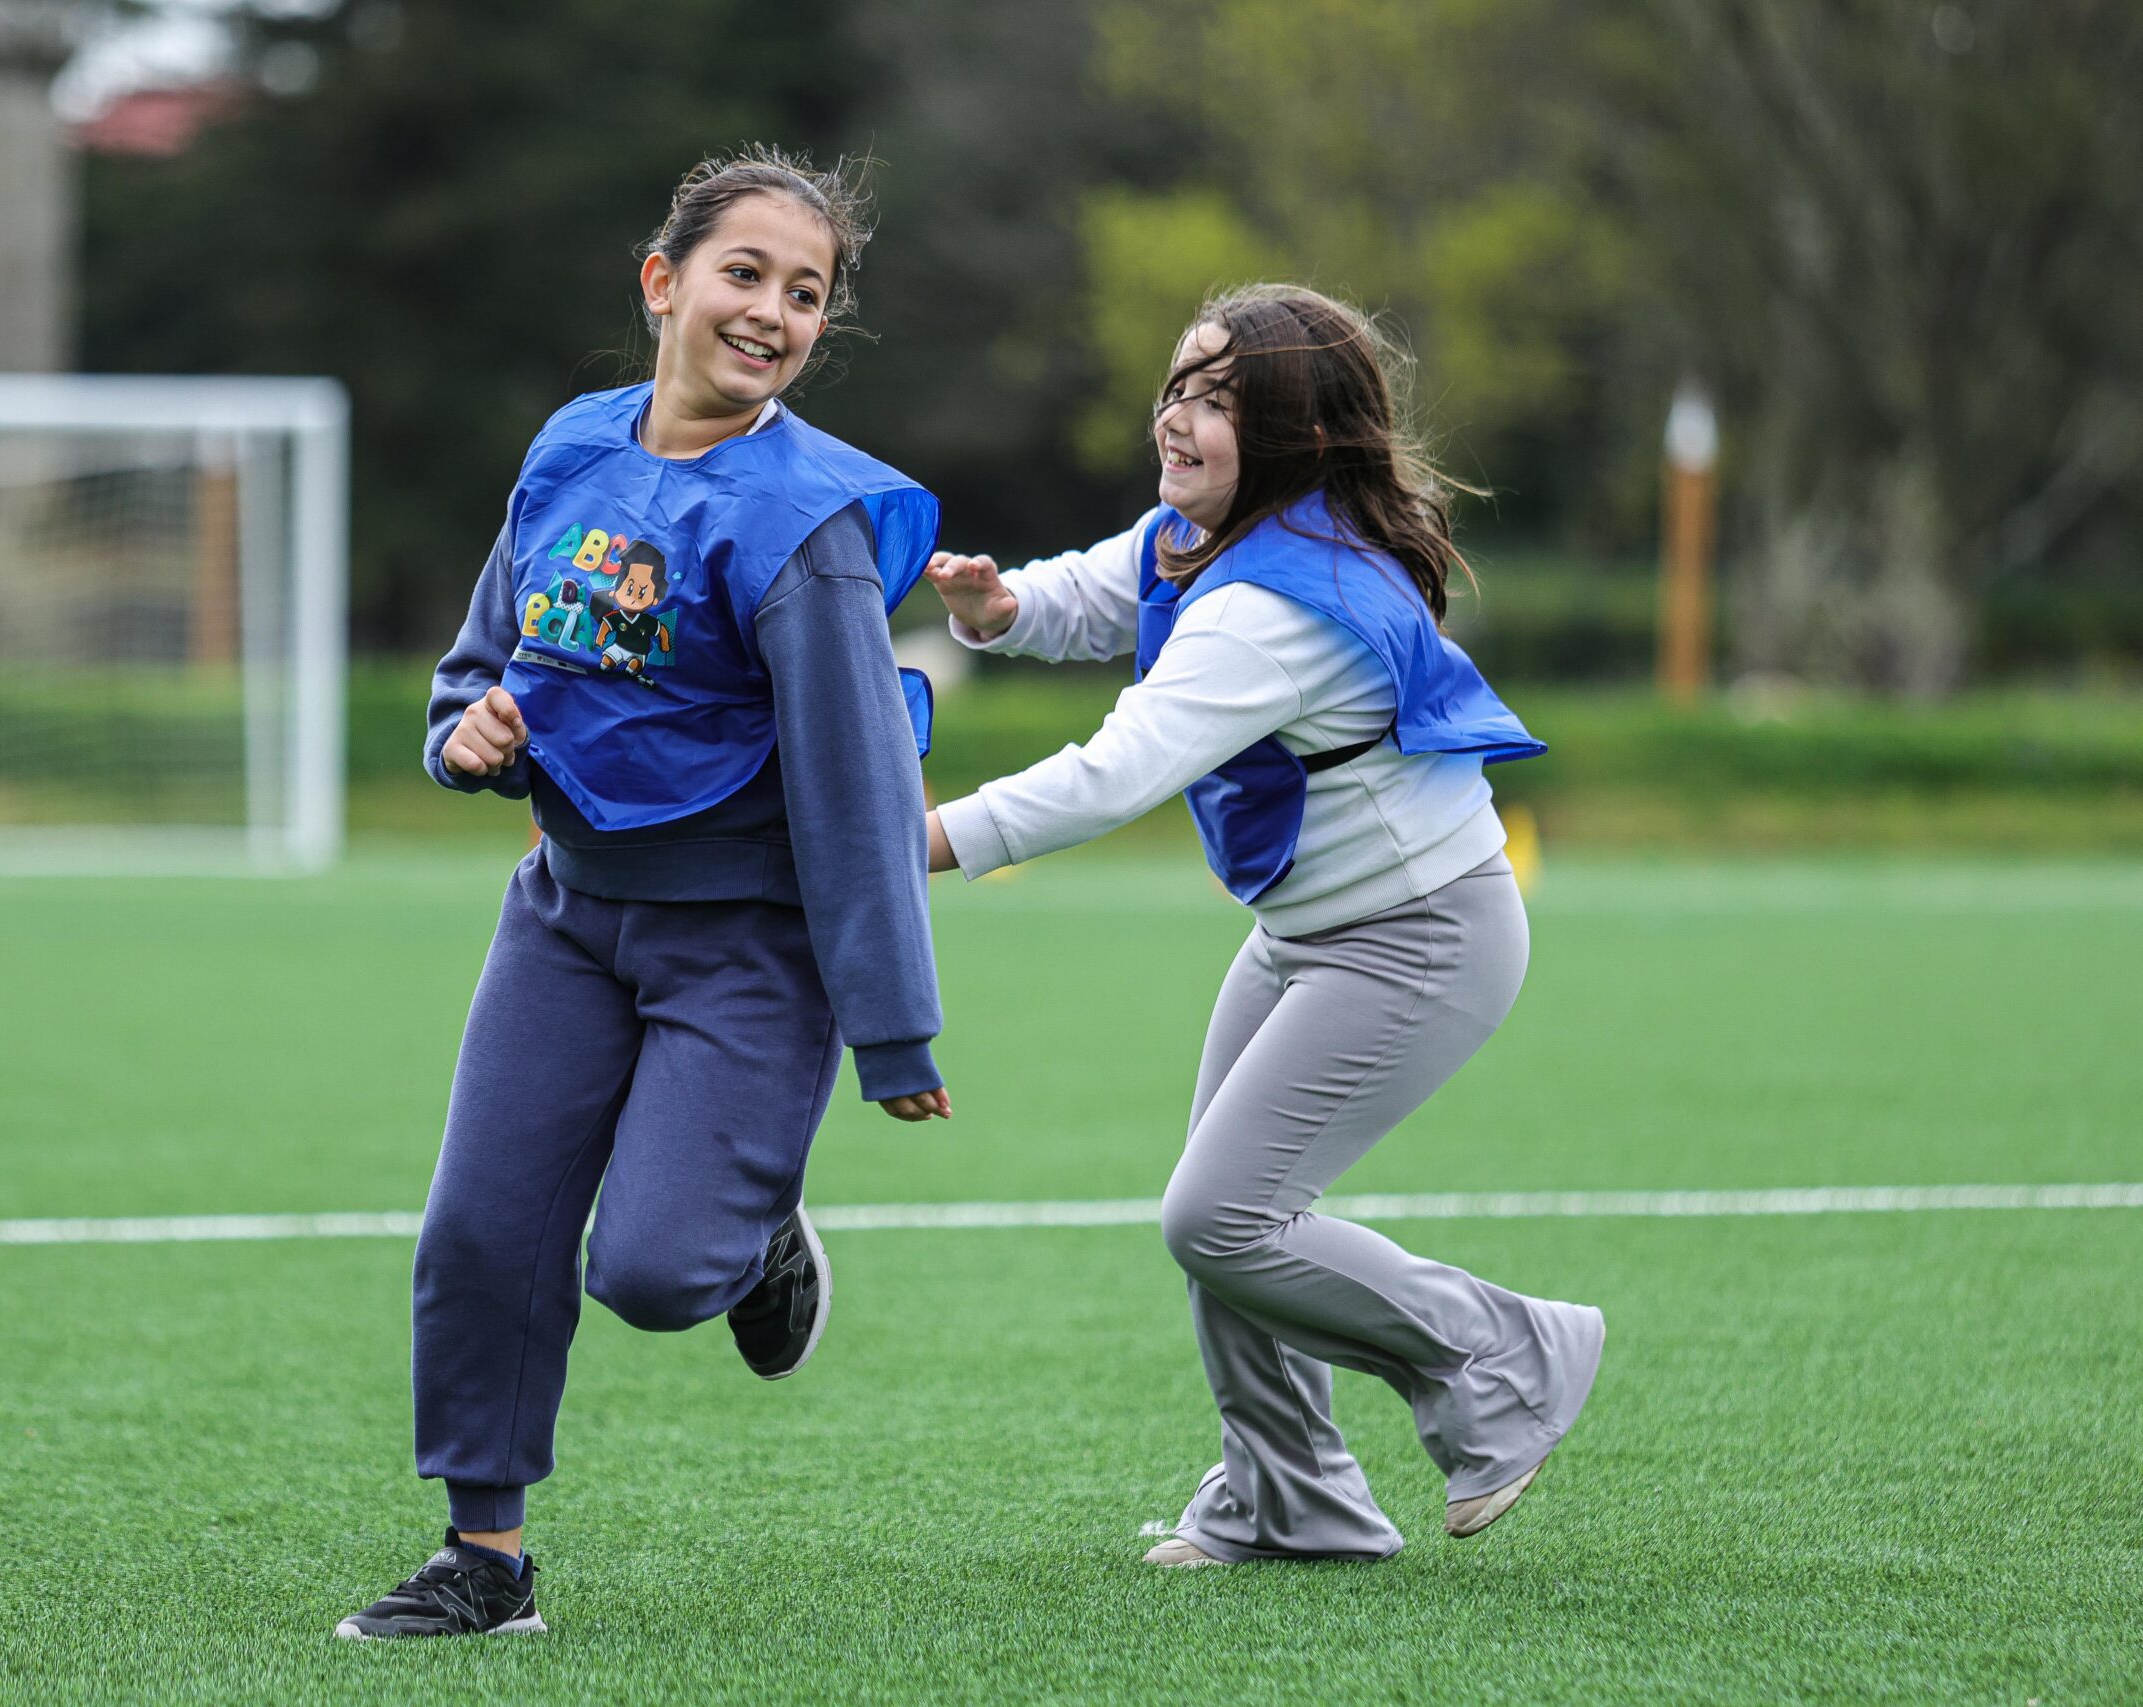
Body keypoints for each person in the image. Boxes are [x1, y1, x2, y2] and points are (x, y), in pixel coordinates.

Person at [338, 148, 948, 1641]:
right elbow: (488, 658)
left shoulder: (805, 524)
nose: (773, 311)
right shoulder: (570, 449)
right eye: (745, 273)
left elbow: (860, 787)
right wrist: (464, 733)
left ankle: (757, 1228)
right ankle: (484, 1559)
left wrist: (892, 1031)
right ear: (663, 282)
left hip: (746, 940)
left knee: (660, 1274)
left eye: (806, 292)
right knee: (480, 1233)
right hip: (564, 912)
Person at [924, 283, 1602, 1565]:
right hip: (1311, 933)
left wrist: (909, 841)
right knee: (1233, 1217)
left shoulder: (1272, 607)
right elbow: (1108, 587)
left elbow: (1112, 775)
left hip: (1419, 936)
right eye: (1179, 384)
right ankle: (1292, 1501)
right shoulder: (1209, 533)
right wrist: (1001, 610)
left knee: (1219, 1217)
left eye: (1220, 400)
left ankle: (1502, 1356)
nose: (1177, 416)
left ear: (1299, 434)